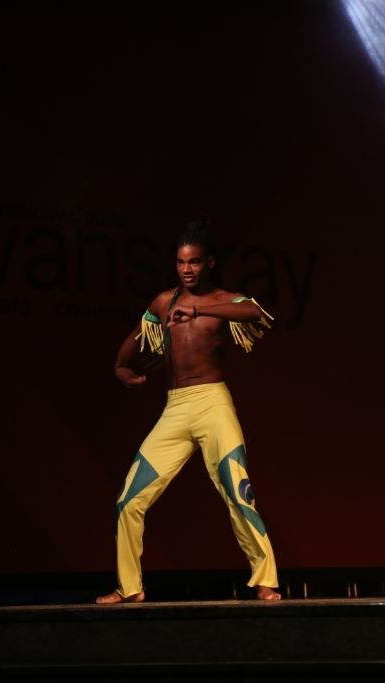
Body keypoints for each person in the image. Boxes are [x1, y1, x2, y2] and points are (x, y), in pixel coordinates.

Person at [96, 222, 282, 604]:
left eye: (194, 262)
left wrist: (198, 308)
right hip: (176, 408)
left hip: (213, 403)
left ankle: (265, 580)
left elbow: (254, 310)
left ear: (209, 262)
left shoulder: (223, 301)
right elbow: (137, 336)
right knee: (128, 501)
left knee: (237, 491)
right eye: (181, 262)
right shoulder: (164, 302)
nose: (187, 269)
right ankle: (129, 587)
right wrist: (120, 366)